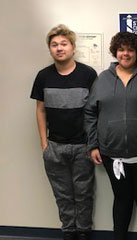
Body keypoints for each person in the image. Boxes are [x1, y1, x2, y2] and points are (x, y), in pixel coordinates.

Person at [84, 32, 137, 240]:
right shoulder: (102, 80)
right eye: (121, 49)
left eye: (130, 49)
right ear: (115, 52)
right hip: (112, 154)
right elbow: (90, 112)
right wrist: (93, 144)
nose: (126, 53)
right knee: (122, 200)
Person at [30, 24, 97, 240]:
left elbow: (96, 111)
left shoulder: (88, 74)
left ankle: (84, 231)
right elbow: (40, 110)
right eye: (54, 45)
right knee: (63, 194)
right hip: (55, 147)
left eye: (64, 44)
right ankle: (68, 231)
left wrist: (93, 143)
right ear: (50, 49)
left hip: (82, 146)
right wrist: (44, 144)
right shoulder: (43, 77)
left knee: (84, 193)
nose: (59, 48)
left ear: (73, 47)